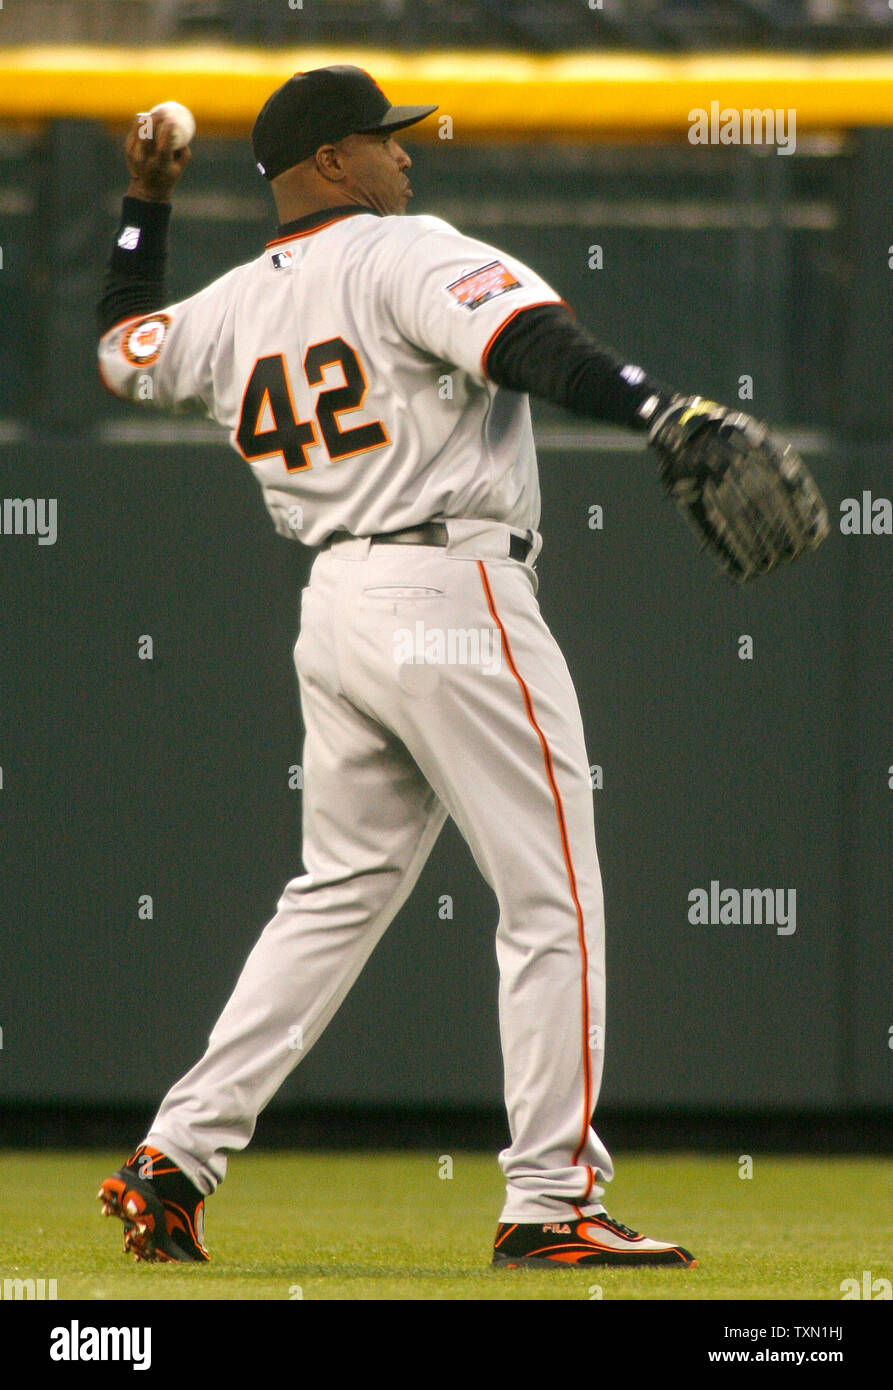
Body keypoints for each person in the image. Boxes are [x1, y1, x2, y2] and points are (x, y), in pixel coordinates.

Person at [96, 65, 696, 1270]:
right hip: (452, 587)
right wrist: (660, 412)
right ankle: (550, 1199)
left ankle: (173, 1157)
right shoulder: (400, 249)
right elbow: (527, 339)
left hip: (338, 609)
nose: (405, 155)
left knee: (332, 896)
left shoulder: (223, 308)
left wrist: (144, 202)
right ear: (328, 161)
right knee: (552, 892)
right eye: (382, 138)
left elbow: (120, 350)